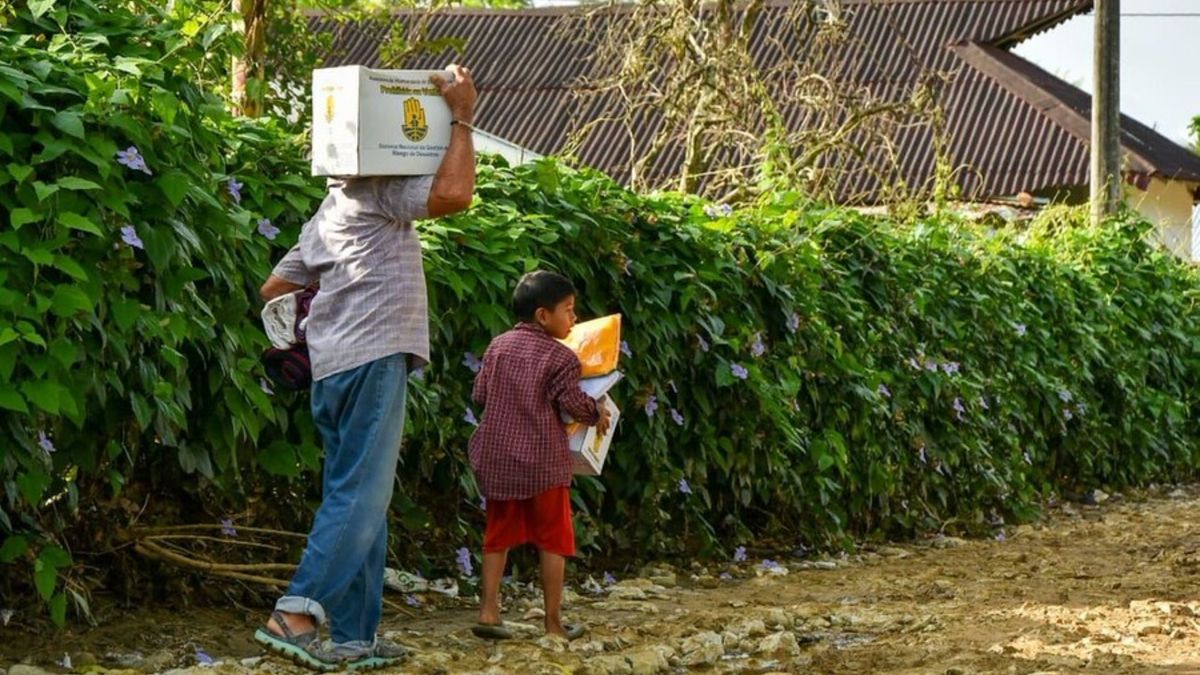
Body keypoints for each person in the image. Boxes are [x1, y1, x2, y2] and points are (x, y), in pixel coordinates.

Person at [253, 65, 477, 671]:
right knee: (362, 494)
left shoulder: (324, 214)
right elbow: (454, 195)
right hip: (373, 359)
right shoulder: (381, 187)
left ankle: (354, 637)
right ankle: (295, 615)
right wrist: (461, 116)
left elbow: (274, 287)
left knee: (358, 496)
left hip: (331, 369)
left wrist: (316, 315)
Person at [467, 271, 612, 641]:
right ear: (543, 315)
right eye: (569, 310)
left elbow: (480, 396)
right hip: (543, 462)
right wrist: (597, 412)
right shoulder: (561, 358)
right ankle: (552, 623)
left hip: (498, 457)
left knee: (497, 536)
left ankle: (488, 611)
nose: (574, 319)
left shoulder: (497, 346)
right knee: (553, 540)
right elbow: (573, 404)